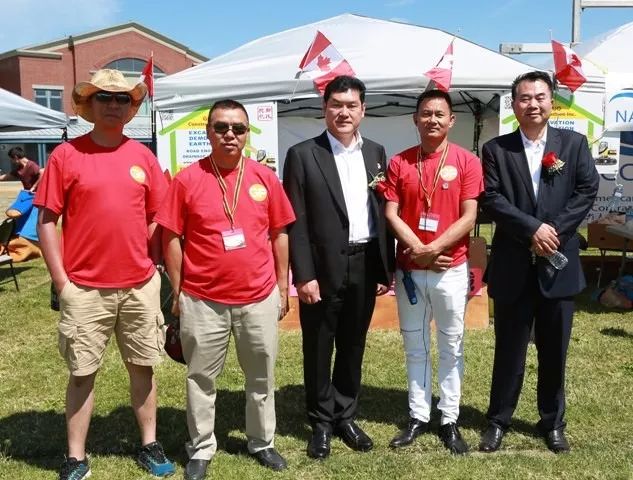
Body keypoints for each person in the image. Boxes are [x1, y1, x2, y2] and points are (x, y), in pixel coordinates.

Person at [34, 69, 175, 480]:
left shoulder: (143, 157)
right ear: (89, 104)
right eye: (105, 97)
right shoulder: (66, 156)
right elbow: (46, 221)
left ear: (131, 108)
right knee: (82, 373)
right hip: (84, 289)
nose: (114, 105)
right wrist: (62, 282)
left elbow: (158, 217)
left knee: (143, 368)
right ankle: (75, 456)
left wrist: (154, 266)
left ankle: (149, 444)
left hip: (139, 287)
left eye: (122, 99)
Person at [156, 99, 295, 480]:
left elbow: (280, 233)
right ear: (208, 132)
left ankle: (262, 441)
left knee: (261, 377)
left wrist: (282, 287)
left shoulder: (265, 178)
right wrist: (178, 291)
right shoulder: (187, 180)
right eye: (221, 127)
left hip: (258, 296)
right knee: (201, 378)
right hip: (203, 299)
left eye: (238, 128)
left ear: (247, 133)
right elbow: (171, 238)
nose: (229, 134)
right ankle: (201, 447)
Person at [478, 71, 599, 454]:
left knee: (554, 351)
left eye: (540, 97)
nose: (533, 104)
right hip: (513, 264)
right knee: (509, 351)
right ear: (514, 104)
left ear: (551, 102)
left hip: (558, 265)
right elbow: (492, 198)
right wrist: (532, 230)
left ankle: (553, 422)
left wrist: (553, 231)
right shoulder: (496, 149)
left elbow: (586, 189)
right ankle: (498, 420)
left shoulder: (573, 144)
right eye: (525, 98)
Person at [283, 75, 393, 459]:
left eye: (351, 105)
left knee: (352, 343)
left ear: (363, 110)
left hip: (364, 262)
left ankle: (345, 415)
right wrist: (304, 275)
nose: (343, 112)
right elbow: (295, 221)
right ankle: (320, 422)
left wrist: (382, 269)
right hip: (322, 267)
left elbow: (380, 212)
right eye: (336, 105)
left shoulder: (376, 153)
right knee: (318, 345)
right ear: (324, 108)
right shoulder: (302, 155)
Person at [383, 89, 482, 455]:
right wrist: (420, 252)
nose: (432, 120)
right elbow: (391, 213)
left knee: (451, 344)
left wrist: (434, 249)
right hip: (411, 271)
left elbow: (469, 216)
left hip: (450, 269)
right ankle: (418, 415)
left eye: (439, 114)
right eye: (426, 113)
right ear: (415, 119)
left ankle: (449, 417)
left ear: (451, 120)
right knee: (415, 345)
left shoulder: (467, 161)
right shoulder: (400, 162)